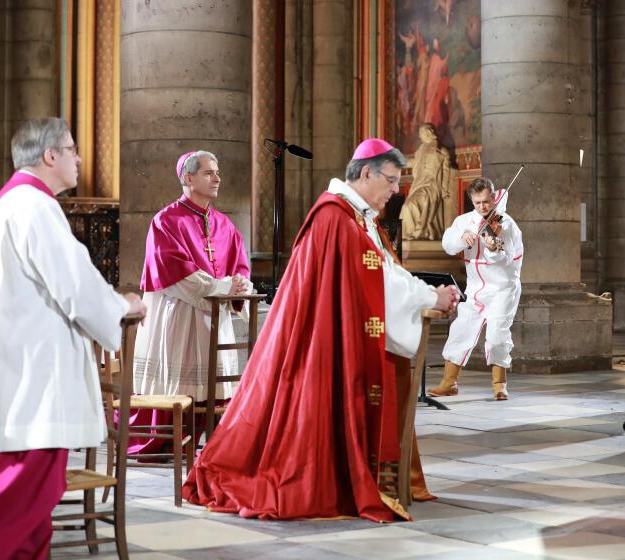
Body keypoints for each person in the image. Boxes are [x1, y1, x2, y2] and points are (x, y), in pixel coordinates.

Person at [183, 138, 460, 522]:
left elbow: (386, 274)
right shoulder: (335, 216)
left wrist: (430, 294)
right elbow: (379, 281)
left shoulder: (355, 216)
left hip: (337, 332)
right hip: (322, 342)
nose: (397, 191)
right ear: (366, 173)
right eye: (392, 180)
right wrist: (432, 297)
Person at [0, 117, 146, 558]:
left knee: (12, 510)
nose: (78, 158)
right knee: (9, 508)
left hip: (6, 385)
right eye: (71, 149)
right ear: (50, 156)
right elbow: (77, 288)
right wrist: (124, 305)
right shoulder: (35, 207)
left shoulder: (1, 209)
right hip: (28, 393)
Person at [131, 150, 252, 453]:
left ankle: (209, 438)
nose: (217, 178)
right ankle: (171, 437)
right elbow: (173, 272)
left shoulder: (225, 225)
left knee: (212, 385)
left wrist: (238, 286)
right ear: (188, 178)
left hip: (213, 320)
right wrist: (222, 286)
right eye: (209, 172)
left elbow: (240, 268)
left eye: (217, 172)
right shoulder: (166, 221)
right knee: (180, 381)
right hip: (179, 316)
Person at [430, 177, 523, 401]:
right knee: (461, 330)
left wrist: (494, 248)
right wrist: (462, 238)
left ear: (493, 197)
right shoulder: (465, 220)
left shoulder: (506, 224)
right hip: (474, 287)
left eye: (486, 202)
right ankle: (449, 382)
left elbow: (509, 259)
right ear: (472, 200)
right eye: (477, 203)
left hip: (502, 287)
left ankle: (499, 385)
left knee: (497, 334)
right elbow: (448, 244)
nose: (483, 207)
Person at [400, 124, 452, 240]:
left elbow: (446, 171)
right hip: (418, 184)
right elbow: (414, 162)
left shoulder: (441, 151)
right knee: (406, 207)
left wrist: (444, 190)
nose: (419, 136)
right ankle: (409, 234)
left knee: (410, 206)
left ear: (428, 133)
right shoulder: (421, 149)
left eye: (421, 133)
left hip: (431, 185)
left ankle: (417, 233)